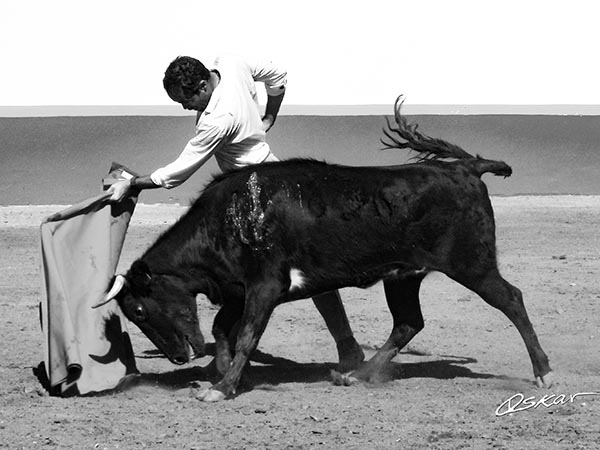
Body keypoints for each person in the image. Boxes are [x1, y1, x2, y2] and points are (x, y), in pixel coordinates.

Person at [108, 54, 364, 370]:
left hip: (255, 202)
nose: (186, 108)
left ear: (203, 86)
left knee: (255, 274)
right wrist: (270, 117)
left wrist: (132, 184)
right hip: (278, 177)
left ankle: (234, 351)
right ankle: (347, 346)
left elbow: (176, 173)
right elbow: (278, 77)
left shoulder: (219, 119)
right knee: (312, 272)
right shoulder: (231, 64)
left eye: (186, 100)